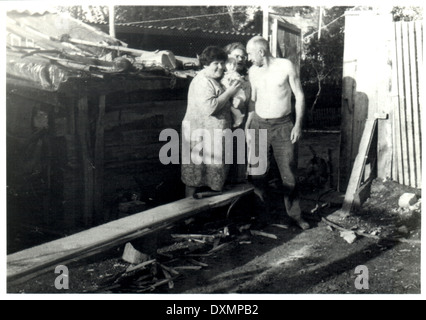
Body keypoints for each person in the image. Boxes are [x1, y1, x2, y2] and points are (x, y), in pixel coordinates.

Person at [245, 36, 310, 230]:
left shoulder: (285, 66)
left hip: (283, 126)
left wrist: (298, 125)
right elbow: (253, 101)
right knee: (258, 172)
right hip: (258, 125)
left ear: (261, 52)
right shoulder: (252, 72)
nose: (248, 58)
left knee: (288, 172)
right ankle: (262, 217)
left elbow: (299, 95)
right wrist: (248, 127)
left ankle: (295, 216)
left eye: (250, 53)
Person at [181, 46, 241, 198]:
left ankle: (208, 215)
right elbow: (210, 107)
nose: (220, 67)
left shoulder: (214, 80)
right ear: (206, 64)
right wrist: (229, 93)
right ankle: (187, 214)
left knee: (213, 176)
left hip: (213, 137)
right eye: (216, 63)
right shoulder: (203, 81)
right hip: (199, 137)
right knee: (194, 176)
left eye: (222, 63)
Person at [223, 42, 251, 183]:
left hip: (242, 123)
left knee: (240, 157)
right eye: (236, 56)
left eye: (243, 56)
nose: (240, 59)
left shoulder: (248, 78)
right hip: (224, 124)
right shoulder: (221, 76)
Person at [221, 57, 250, 128]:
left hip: (238, 94)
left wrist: (236, 79)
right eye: (229, 64)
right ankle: (238, 117)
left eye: (234, 64)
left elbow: (239, 80)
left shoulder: (234, 74)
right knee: (232, 107)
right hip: (231, 95)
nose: (232, 66)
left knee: (235, 105)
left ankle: (239, 118)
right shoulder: (224, 74)